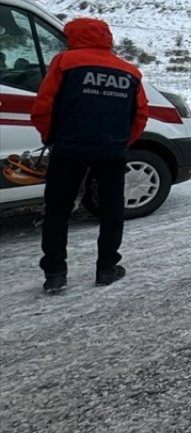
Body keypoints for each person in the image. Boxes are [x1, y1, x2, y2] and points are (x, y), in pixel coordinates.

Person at [32, 17, 148, 293]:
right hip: (111, 151)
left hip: (69, 148)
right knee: (111, 209)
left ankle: (55, 273)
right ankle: (107, 267)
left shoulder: (63, 63)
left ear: (73, 36)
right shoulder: (129, 71)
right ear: (106, 37)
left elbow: (43, 106)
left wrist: (51, 137)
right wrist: (122, 142)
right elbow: (140, 114)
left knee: (57, 210)